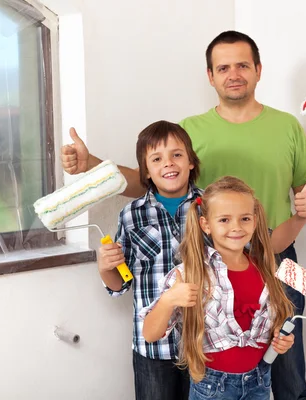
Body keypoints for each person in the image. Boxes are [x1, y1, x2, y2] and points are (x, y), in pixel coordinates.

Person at [61, 31, 306, 400]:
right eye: (223, 67)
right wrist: (91, 165)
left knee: (288, 370)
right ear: (210, 75)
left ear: (258, 70)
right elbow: (151, 182)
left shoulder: (287, 126)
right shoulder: (191, 130)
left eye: (242, 65)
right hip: (213, 261)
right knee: (218, 362)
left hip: (277, 249)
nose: (233, 73)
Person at [140, 176, 306, 400]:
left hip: (259, 382)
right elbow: (150, 334)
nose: (236, 228)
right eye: (224, 220)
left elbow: (273, 322)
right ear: (206, 225)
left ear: (255, 220)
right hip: (212, 387)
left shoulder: (267, 269)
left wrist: (282, 339)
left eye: (245, 219)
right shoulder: (190, 274)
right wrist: (168, 300)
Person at [97, 120, 201, 400]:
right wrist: (106, 267)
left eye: (177, 154)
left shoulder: (211, 208)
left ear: (191, 161)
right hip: (154, 350)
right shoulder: (131, 215)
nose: (168, 163)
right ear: (146, 171)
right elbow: (119, 286)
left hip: (205, 343)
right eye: (157, 158)